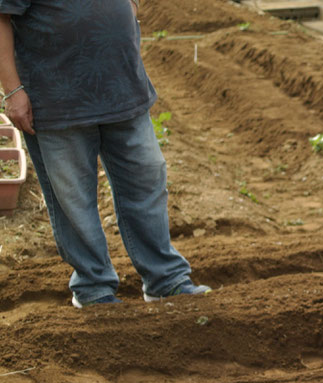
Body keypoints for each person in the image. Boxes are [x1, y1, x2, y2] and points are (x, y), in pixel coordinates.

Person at [0, 0, 210, 308]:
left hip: (123, 88)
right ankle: (93, 288)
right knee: (73, 199)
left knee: (147, 181)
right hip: (59, 99)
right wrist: (13, 90)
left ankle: (165, 279)